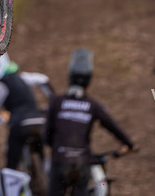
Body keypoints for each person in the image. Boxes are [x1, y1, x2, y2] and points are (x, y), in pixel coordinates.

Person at [45, 49, 135, 195]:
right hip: (82, 163)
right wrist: (129, 144)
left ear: (69, 78)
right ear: (89, 84)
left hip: (60, 161)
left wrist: (57, 146)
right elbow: (112, 126)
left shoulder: (56, 102)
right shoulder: (92, 105)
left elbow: (47, 135)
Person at [0, 53, 52, 171]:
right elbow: (43, 79)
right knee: (40, 149)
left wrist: (1, 118)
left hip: (19, 123)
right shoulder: (22, 77)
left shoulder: (1, 84)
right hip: (38, 119)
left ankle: (10, 178)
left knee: (12, 158)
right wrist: (51, 102)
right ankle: (47, 175)